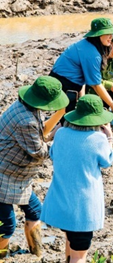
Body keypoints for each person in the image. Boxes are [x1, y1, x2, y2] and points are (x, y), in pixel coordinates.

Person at [0, 76, 69, 258]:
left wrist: (60, 113)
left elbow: (42, 132)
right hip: (4, 175)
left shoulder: (26, 108)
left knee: (35, 211)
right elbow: (38, 151)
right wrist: (62, 144)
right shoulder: (26, 121)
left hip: (18, 176)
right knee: (7, 224)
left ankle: (36, 254)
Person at [41, 95, 113, 263]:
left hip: (61, 203)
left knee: (70, 240)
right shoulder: (98, 139)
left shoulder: (61, 134)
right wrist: (109, 138)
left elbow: (52, 154)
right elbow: (107, 161)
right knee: (79, 256)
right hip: (84, 209)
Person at [50, 17, 113, 117]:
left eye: (112, 34)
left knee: (65, 117)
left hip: (65, 81)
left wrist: (82, 98)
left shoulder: (87, 45)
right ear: (98, 35)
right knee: (67, 118)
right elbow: (95, 84)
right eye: (107, 34)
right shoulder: (92, 54)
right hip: (64, 84)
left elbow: (82, 76)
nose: (111, 37)